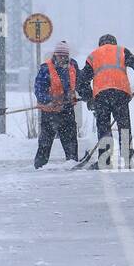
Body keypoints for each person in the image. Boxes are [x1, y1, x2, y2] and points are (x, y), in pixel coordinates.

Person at [78, 34, 134, 168]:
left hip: (101, 95)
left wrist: (88, 97)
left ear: (100, 44)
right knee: (124, 126)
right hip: (120, 92)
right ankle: (129, 159)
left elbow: (82, 80)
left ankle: (105, 160)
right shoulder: (121, 51)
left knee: (104, 127)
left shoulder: (93, 55)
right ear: (114, 43)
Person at [32, 40, 81, 169]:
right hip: (49, 112)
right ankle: (40, 165)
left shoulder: (73, 65)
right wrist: (49, 100)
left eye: (65, 56)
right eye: (60, 56)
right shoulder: (45, 68)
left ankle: (72, 163)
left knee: (70, 140)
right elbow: (39, 90)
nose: (63, 59)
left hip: (67, 111)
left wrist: (86, 96)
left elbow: (80, 84)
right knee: (45, 142)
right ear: (55, 55)